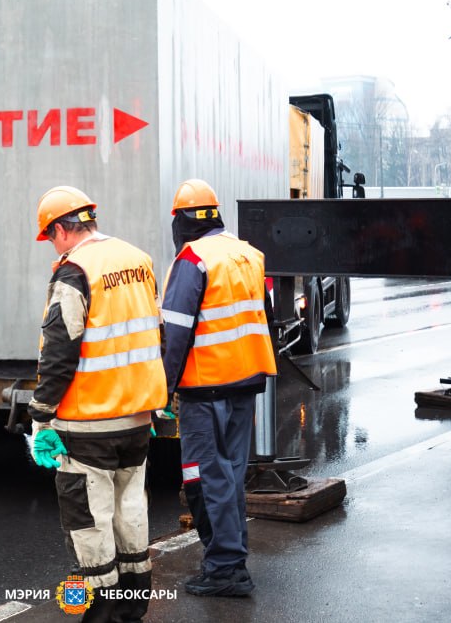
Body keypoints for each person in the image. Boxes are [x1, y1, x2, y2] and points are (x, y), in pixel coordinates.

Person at [28, 185, 168, 623]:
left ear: (60, 229)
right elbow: (157, 333)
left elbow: (60, 351)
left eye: (50, 237)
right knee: (131, 513)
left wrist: (40, 415)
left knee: (90, 523)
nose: (53, 246)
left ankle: (100, 615)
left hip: (88, 424)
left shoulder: (75, 272)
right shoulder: (138, 260)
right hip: (136, 420)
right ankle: (132, 610)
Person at [159, 179, 277, 598]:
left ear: (181, 221)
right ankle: (230, 559)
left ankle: (226, 568)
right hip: (245, 383)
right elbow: (265, 319)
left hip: (205, 387)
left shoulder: (193, 260)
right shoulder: (248, 254)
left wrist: (162, 390)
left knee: (209, 479)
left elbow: (176, 335)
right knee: (230, 476)